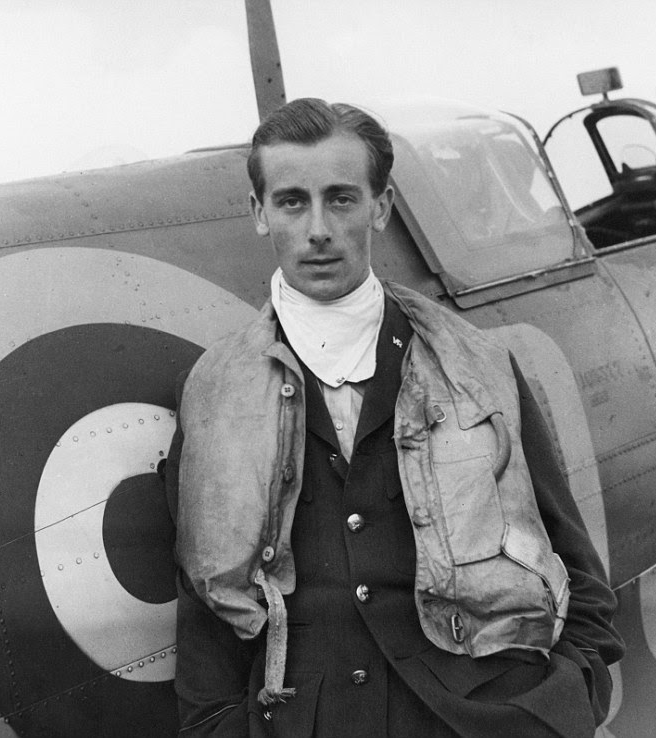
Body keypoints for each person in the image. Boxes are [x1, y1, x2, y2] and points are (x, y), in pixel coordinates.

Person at [164, 98, 624, 737]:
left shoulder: (481, 365)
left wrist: (569, 698)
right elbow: (206, 610)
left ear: (380, 206)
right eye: (292, 201)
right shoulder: (213, 390)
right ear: (258, 212)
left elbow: (576, 567)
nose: (318, 228)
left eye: (343, 199)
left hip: (487, 718)